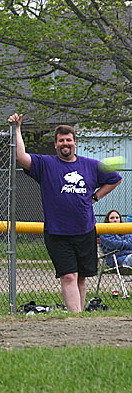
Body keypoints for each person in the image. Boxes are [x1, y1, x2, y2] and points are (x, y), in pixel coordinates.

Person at [9, 113, 122, 312]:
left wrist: (95, 197)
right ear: (56, 145)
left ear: (75, 143)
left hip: (85, 229)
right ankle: (76, 318)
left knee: (81, 278)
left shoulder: (91, 165)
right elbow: (21, 157)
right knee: (69, 276)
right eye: (61, 141)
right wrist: (17, 129)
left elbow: (115, 179)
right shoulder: (46, 165)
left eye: (68, 140)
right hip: (58, 231)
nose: (65, 143)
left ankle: (79, 318)